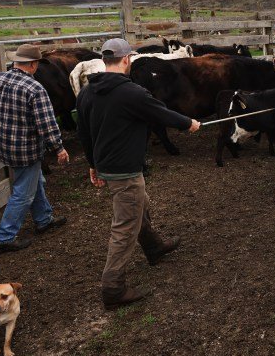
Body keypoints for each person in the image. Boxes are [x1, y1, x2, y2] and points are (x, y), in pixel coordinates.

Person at [76, 38, 201, 310]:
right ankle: (113, 288)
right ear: (126, 60)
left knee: (139, 205)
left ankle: (154, 246)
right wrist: (188, 123)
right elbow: (160, 113)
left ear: (104, 60)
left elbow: (83, 132)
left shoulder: (87, 92)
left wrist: (92, 164)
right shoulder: (132, 92)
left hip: (107, 165)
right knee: (125, 226)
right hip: (125, 170)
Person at [0, 43, 69, 251]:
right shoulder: (35, 89)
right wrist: (59, 148)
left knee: (35, 181)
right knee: (23, 193)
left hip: (6, 147)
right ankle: (4, 237)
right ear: (33, 64)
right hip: (27, 150)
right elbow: (47, 124)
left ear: (17, 61)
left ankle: (44, 219)